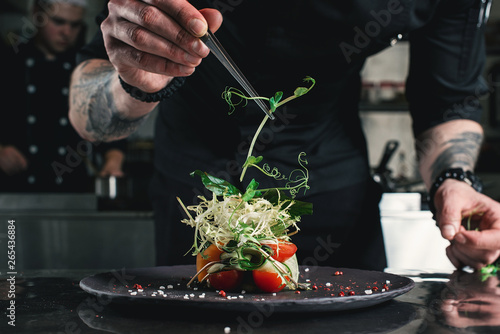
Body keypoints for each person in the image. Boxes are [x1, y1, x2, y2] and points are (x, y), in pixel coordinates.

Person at [69, 0, 500, 271]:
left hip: (336, 200)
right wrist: (133, 85)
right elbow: (87, 113)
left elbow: (448, 101)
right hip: (197, 209)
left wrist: (454, 178)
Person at [0, 0, 125, 193]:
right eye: (58, 22)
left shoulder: (90, 68)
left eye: (74, 25)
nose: (66, 32)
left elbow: (111, 130)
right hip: (15, 191)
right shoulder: (8, 62)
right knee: (12, 225)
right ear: (36, 14)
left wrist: (113, 162)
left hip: (72, 190)